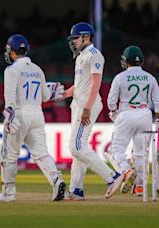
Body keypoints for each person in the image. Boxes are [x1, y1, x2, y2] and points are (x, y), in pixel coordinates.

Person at [0, 34, 66, 202]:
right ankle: (57, 179)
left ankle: (8, 193)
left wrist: (9, 117)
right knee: (41, 153)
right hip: (36, 114)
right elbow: (46, 96)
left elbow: (9, 97)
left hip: (18, 113)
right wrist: (53, 89)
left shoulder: (11, 70)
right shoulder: (37, 69)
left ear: (12, 51)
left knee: (9, 155)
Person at [63, 22, 122, 200]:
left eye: (76, 38)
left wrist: (87, 108)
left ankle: (112, 177)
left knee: (76, 146)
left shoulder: (95, 55)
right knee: (79, 147)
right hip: (79, 103)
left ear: (86, 37)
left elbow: (96, 83)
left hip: (87, 104)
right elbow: (81, 84)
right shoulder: (82, 56)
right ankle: (76, 190)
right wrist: (65, 93)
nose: (73, 42)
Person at [107, 45, 159, 196]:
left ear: (125, 61)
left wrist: (115, 113)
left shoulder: (120, 77)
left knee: (115, 150)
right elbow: (157, 102)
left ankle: (126, 170)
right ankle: (140, 187)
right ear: (141, 61)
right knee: (141, 153)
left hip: (126, 113)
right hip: (145, 115)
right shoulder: (150, 78)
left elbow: (111, 102)